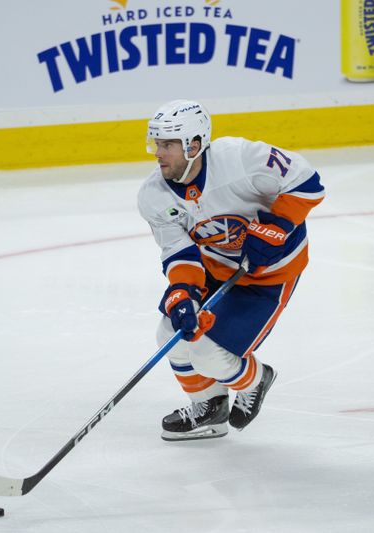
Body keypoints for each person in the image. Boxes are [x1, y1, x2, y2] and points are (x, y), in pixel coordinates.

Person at [137, 100, 325, 441]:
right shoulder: (154, 195)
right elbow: (179, 252)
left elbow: (308, 182)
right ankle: (209, 409)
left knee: (209, 354)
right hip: (216, 266)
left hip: (271, 273)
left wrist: (277, 226)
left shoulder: (239, 159)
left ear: (194, 144)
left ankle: (256, 380)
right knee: (171, 334)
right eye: (156, 144)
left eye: (167, 145)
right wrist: (184, 293)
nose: (158, 153)